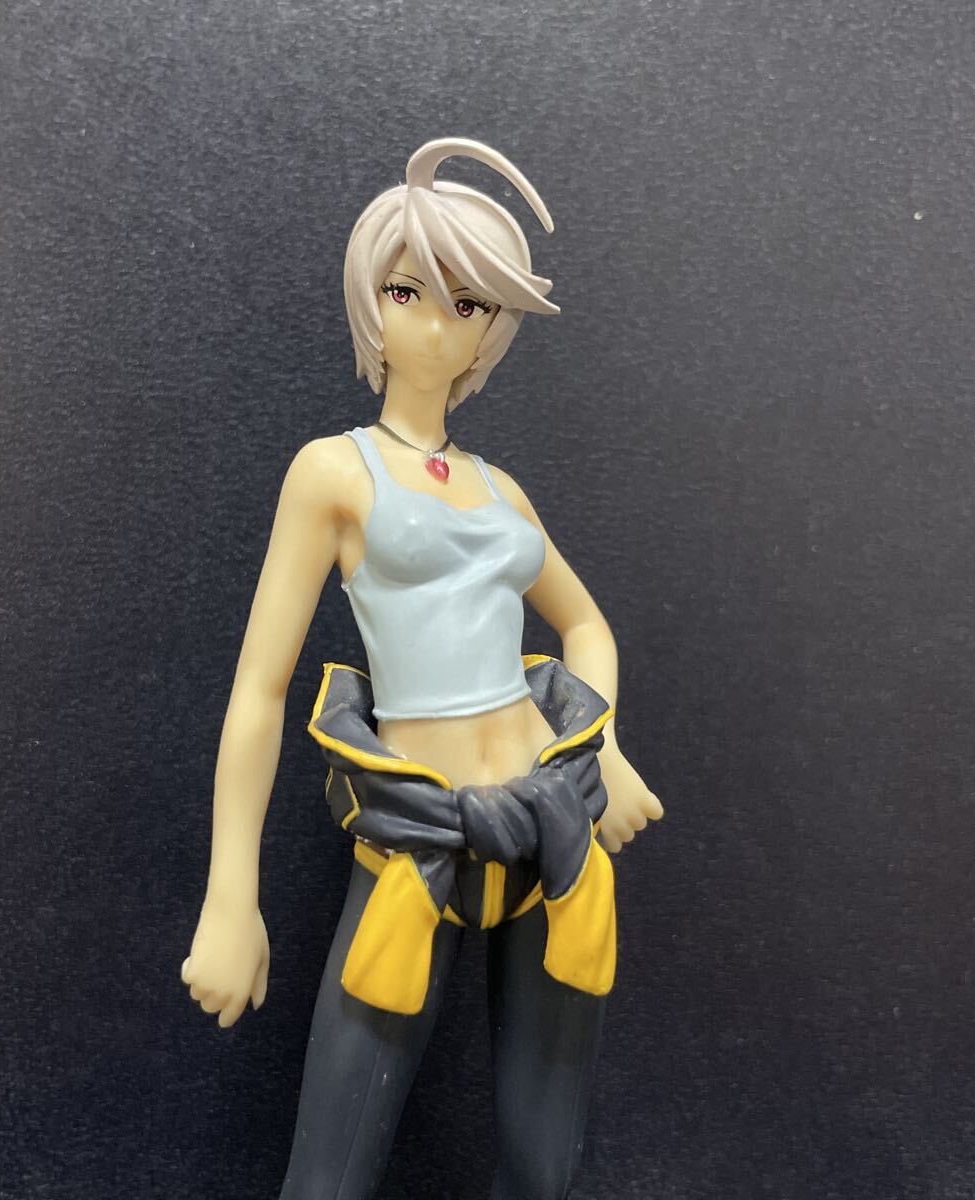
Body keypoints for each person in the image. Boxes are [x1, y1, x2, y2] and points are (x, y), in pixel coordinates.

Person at [181, 137, 664, 1200]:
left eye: (470, 302)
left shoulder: (503, 490)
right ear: (372, 299)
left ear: (494, 326)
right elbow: (260, 690)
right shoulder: (333, 472)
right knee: (331, 1170)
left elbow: (588, 628)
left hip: (551, 830)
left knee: (543, 1164)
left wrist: (604, 749)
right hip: (415, 842)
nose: (438, 323)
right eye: (408, 290)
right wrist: (231, 897)